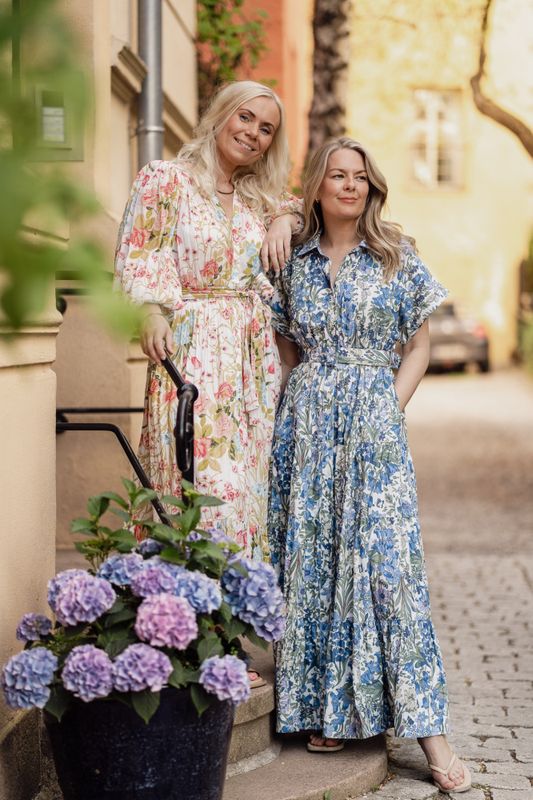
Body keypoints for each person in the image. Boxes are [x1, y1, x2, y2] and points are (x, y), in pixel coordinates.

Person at [268, 137, 471, 793]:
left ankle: (433, 741)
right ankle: (329, 710)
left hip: (374, 429)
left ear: (370, 187)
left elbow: (420, 345)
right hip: (305, 432)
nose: (350, 185)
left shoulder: (394, 255)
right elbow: (284, 350)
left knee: (388, 574)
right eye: (338, 175)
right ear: (319, 187)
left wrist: (388, 406)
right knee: (315, 563)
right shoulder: (291, 262)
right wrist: (297, 415)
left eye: (360, 176)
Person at [114, 81, 301, 686]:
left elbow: (309, 210)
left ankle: (226, 636)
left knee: (248, 499)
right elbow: (142, 253)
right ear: (221, 115)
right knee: (201, 488)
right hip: (192, 352)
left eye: (266, 127)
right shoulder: (165, 180)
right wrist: (150, 312)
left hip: (252, 364)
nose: (252, 131)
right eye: (245, 117)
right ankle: (207, 644)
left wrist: (287, 215)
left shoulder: (257, 200)